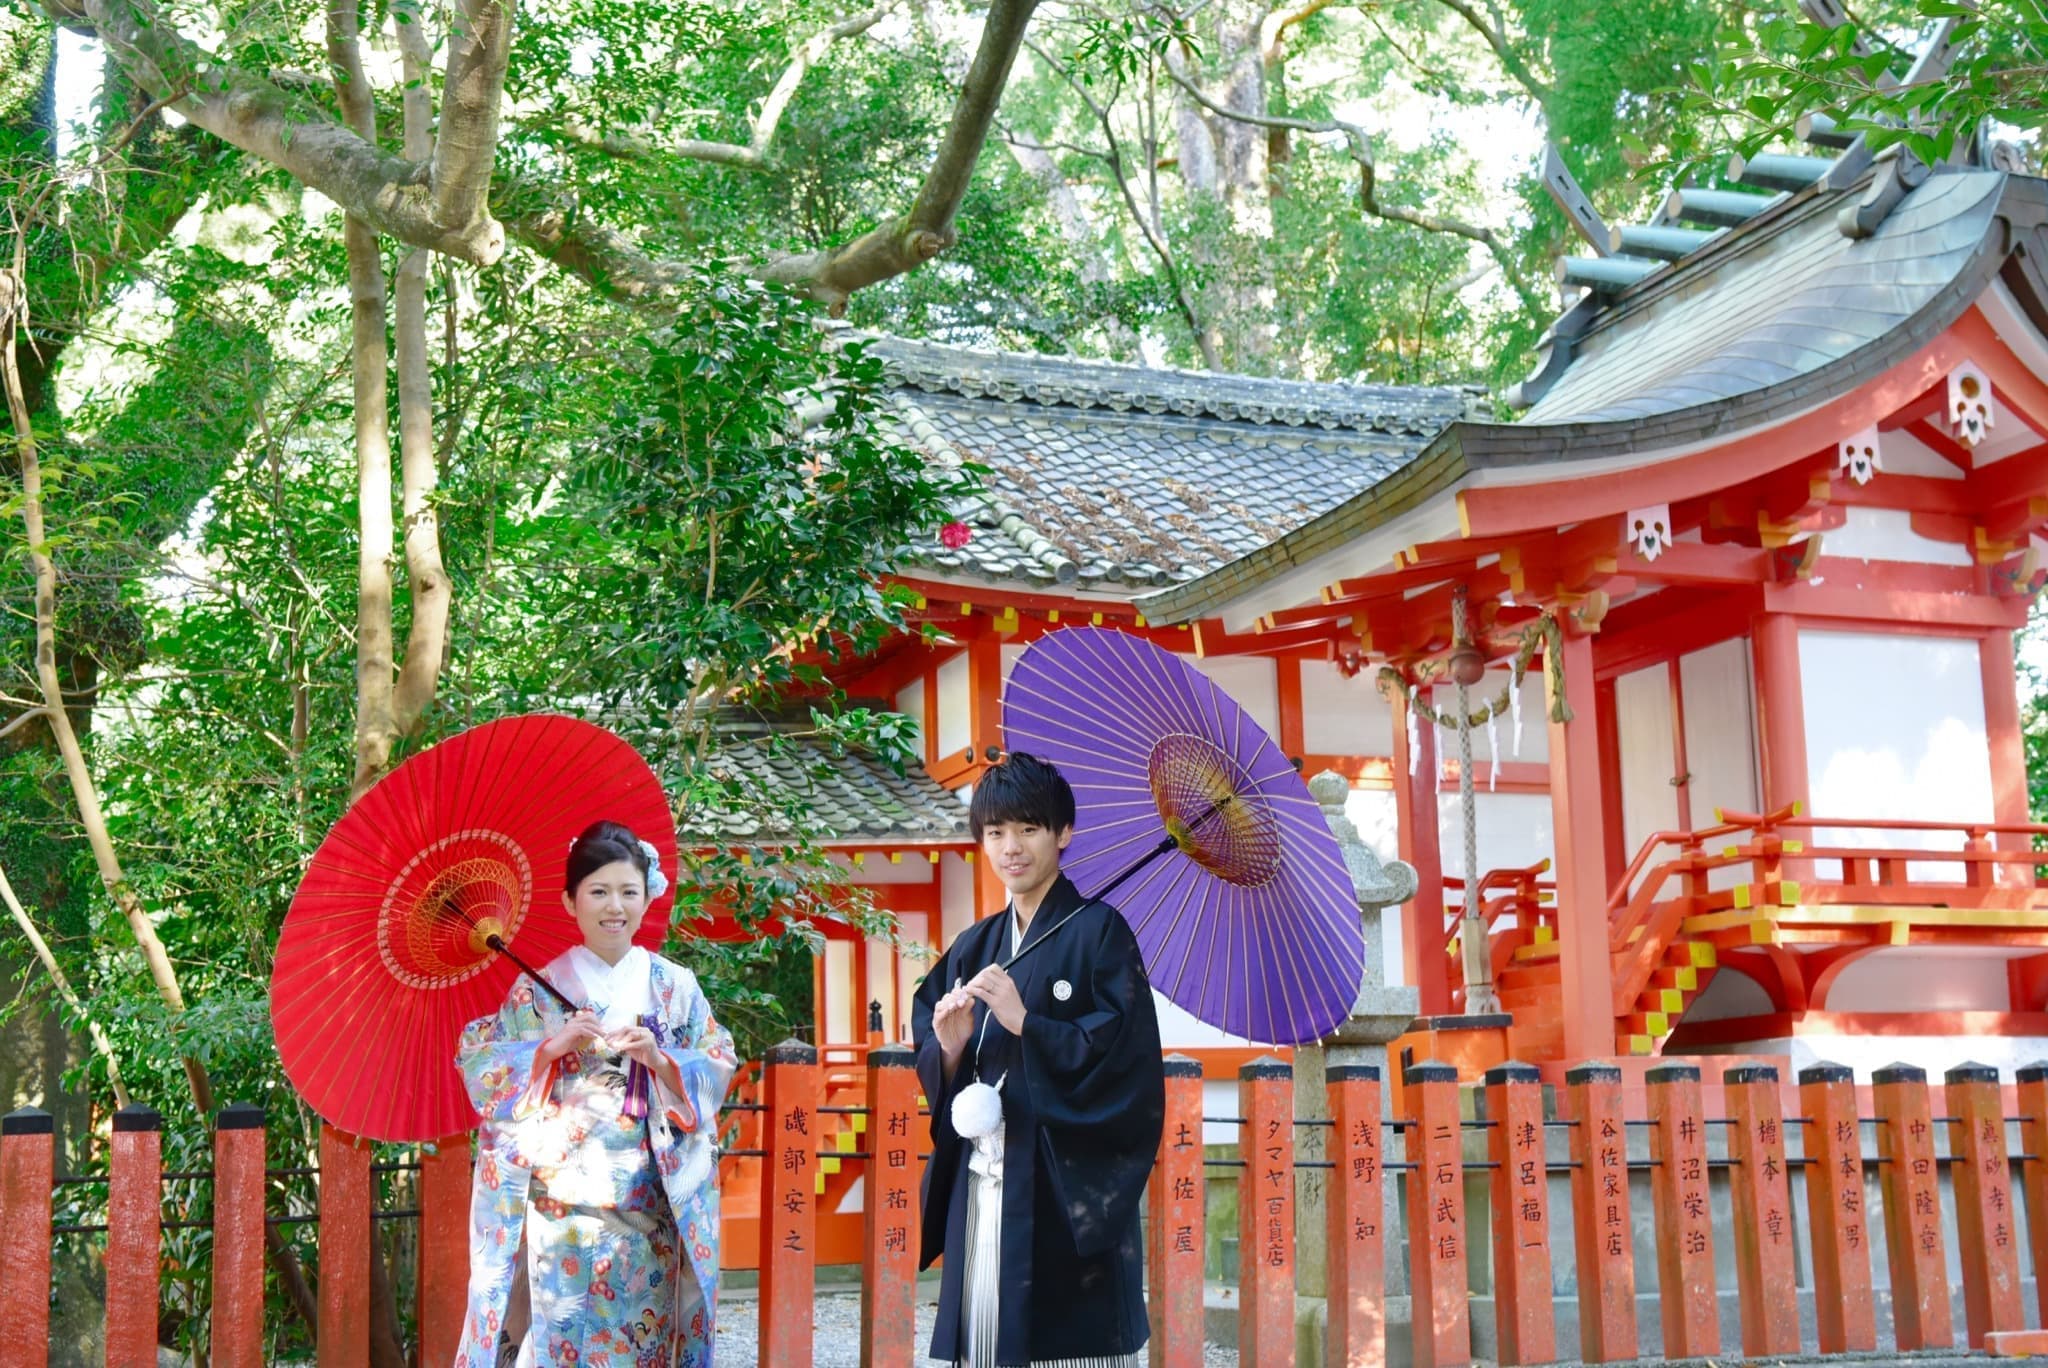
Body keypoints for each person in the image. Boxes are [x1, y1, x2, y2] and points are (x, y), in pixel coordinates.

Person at [911, 752, 1165, 1367]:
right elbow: (933, 1032)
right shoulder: (976, 943)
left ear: (1063, 833)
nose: (1010, 847)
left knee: (1065, 1347)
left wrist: (1029, 1022)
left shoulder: (1102, 932)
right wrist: (948, 1045)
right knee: (986, 1342)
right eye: (995, 832)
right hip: (985, 1180)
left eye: (1028, 828)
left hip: (1063, 1189)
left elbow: (1125, 1060)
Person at [454, 819, 737, 1368]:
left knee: (645, 1347)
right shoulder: (536, 990)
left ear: (647, 895)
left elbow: (717, 1059)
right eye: (599, 892)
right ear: (570, 900)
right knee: (564, 1348)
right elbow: (482, 1064)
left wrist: (660, 1058)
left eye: (629, 892)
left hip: (648, 1214)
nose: (615, 907)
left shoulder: (674, 986)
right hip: (561, 1215)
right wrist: (549, 1048)